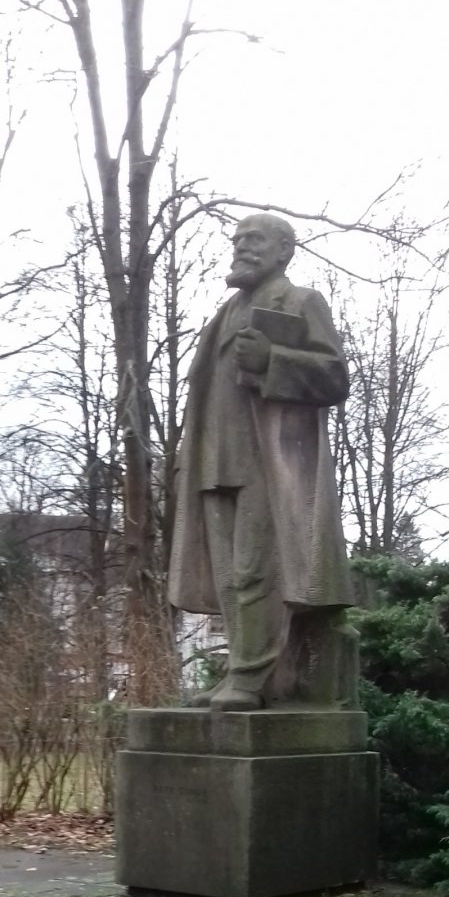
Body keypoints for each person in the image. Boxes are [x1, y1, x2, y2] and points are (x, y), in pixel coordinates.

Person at [168, 212, 356, 711]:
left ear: (284, 251)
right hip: (215, 460)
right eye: (237, 239)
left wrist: (272, 361)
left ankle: (251, 678)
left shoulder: (301, 302)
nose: (242, 247)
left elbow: (335, 377)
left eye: (254, 239)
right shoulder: (224, 315)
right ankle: (243, 668)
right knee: (228, 578)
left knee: (256, 571)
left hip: (267, 461)